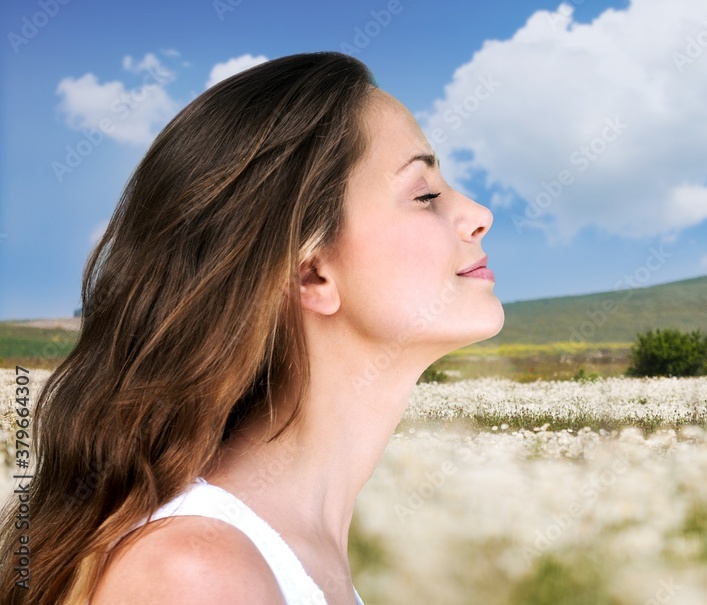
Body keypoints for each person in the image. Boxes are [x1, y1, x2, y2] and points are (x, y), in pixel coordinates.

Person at [0, 51, 504, 605]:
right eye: (425, 194)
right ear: (311, 273)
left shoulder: (281, 556)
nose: (479, 212)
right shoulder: (198, 575)